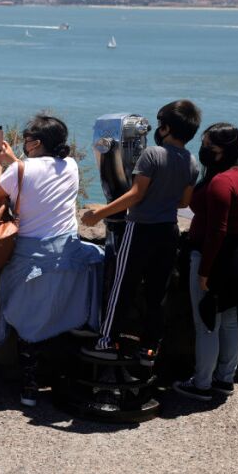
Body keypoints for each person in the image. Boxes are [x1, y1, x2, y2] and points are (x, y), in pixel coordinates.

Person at [0, 116, 104, 407]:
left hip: (31, 260)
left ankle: (29, 386)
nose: (23, 143)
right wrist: (16, 161)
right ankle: (64, 377)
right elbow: (36, 174)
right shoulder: (72, 165)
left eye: (27, 139)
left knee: (27, 321)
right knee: (61, 318)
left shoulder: (19, 170)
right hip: (68, 257)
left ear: (36, 143)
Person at [82, 99, 202, 365]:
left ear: (167, 128)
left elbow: (136, 194)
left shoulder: (152, 155)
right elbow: (184, 202)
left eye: (160, 124)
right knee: (156, 293)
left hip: (140, 230)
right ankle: (149, 349)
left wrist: (98, 214)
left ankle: (106, 342)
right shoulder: (191, 162)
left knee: (121, 287)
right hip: (169, 232)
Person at [173, 123, 238, 401]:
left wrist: (204, 271)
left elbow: (216, 231)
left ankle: (201, 384)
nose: (203, 150)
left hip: (212, 258)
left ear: (223, 151)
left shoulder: (221, 182)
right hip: (235, 257)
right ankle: (225, 379)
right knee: (228, 322)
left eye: (208, 146)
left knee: (206, 323)